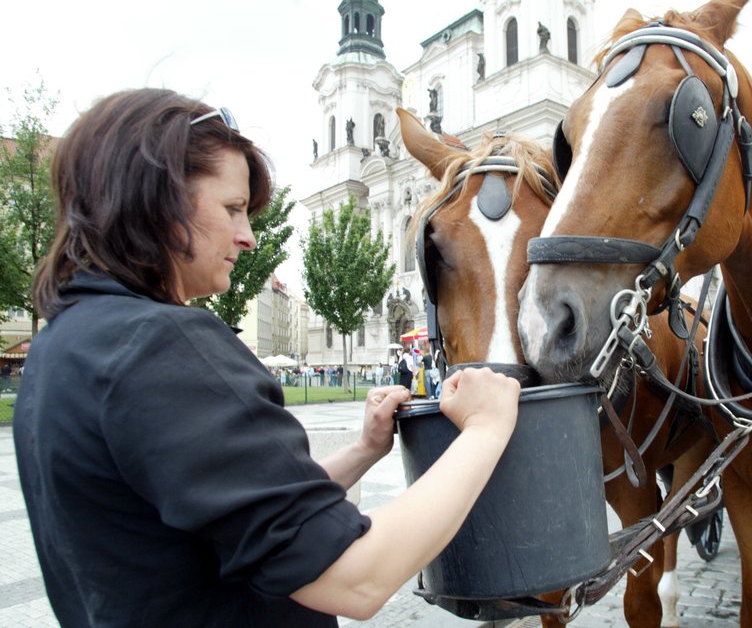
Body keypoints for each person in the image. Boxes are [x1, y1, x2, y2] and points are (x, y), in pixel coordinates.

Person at [13, 88, 521, 627]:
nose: (248, 236)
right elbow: (356, 578)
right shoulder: (160, 346)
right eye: (233, 208)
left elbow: (237, 513)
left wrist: (362, 451)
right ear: (155, 199)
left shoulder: (63, 343)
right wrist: (486, 430)